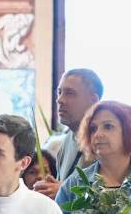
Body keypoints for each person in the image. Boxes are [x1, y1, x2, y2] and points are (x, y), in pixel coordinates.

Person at [33, 68, 103, 200]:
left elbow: (119, 198)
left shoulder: (109, 141)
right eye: (59, 92)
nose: (60, 100)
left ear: (93, 100)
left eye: (70, 93)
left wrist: (65, 192)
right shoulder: (67, 140)